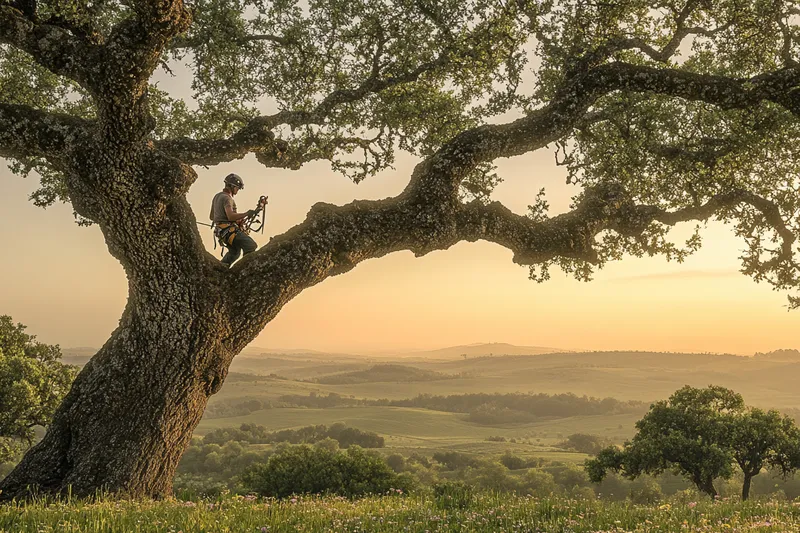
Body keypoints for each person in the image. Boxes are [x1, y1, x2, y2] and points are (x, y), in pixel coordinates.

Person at [209, 173, 260, 266]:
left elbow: (212, 217)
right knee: (250, 245)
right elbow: (230, 216)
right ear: (232, 186)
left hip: (221, 232)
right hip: (228, 231)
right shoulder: (227, 198)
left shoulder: (217, 196)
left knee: (235, 252)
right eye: (237, 188)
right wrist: (246, 213)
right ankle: (247, 269)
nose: (237, 191)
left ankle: (221, 269)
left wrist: (237, 220)